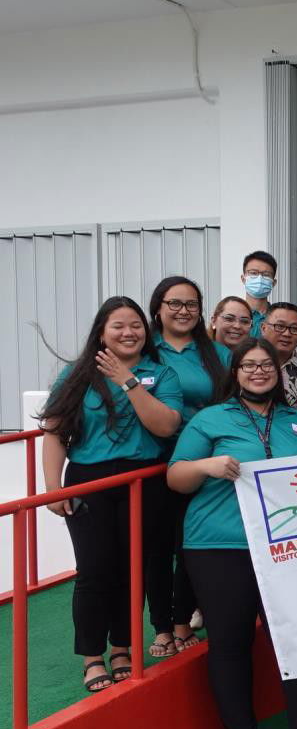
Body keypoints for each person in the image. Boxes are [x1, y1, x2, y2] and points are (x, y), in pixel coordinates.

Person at [167, 338, 297, 729]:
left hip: (289, 547)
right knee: (229, 641)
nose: (259, 371)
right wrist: (206, 467)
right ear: (235, 372)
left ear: (278, 372)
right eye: (249, 365)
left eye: (266, 365)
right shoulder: (211, 419)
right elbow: (175, 477)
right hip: (219, 544)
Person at [40, 297, 182, 692]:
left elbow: (166, 426)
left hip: (143, 481)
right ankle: (91, 656)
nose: (129, 332)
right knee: (95, 569)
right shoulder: (77, 374)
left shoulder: (160, 374)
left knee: (132, 568)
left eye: (136, 325)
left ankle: (122, 647)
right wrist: (53, 488)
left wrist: (127, 379)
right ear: (101, 331)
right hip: (90, 481)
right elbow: (54, 432)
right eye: (118, 325)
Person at [148, 276, 230, 658]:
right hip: (154, 461)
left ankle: (183, 619)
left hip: (206, 461)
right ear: (158, 307)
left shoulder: (216, 353)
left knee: (192, 545)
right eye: (175, 303)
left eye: (192, 304)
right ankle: (163, 627)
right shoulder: (146, 351)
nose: (183, 311)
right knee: (158, 548)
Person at [240, 250, 277, 337]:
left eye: (266, 275)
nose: (260, 278)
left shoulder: (277, 317)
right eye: (253, 273)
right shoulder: (234, 316)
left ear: (274, 283)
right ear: (243, 279)